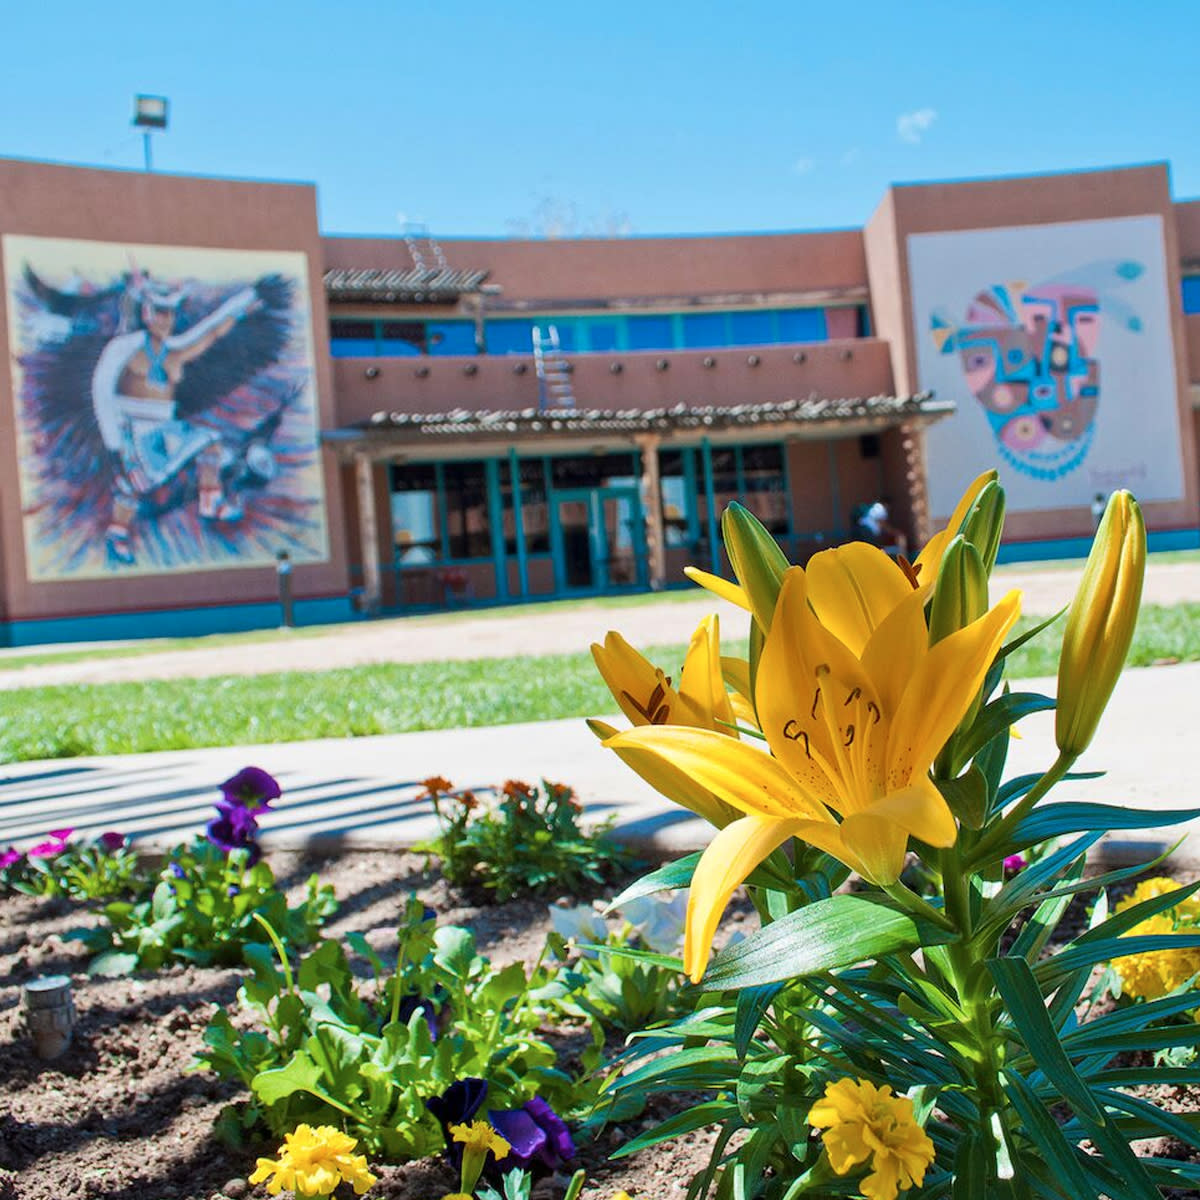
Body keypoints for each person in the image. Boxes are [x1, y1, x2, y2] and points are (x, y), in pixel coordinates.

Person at [90, 277, 262, 564]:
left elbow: (210, 332)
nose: (165, 319)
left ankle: (211, 502)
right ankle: (118, 534)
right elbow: (101, 388)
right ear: (146, 313)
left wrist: (242, 304)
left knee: (210, 443)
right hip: (131, 429)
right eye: (159, 311)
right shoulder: (124, 347)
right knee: (132, 484)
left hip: (165, 428)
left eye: (170, 312)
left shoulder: (175, 351)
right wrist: (114, 444)